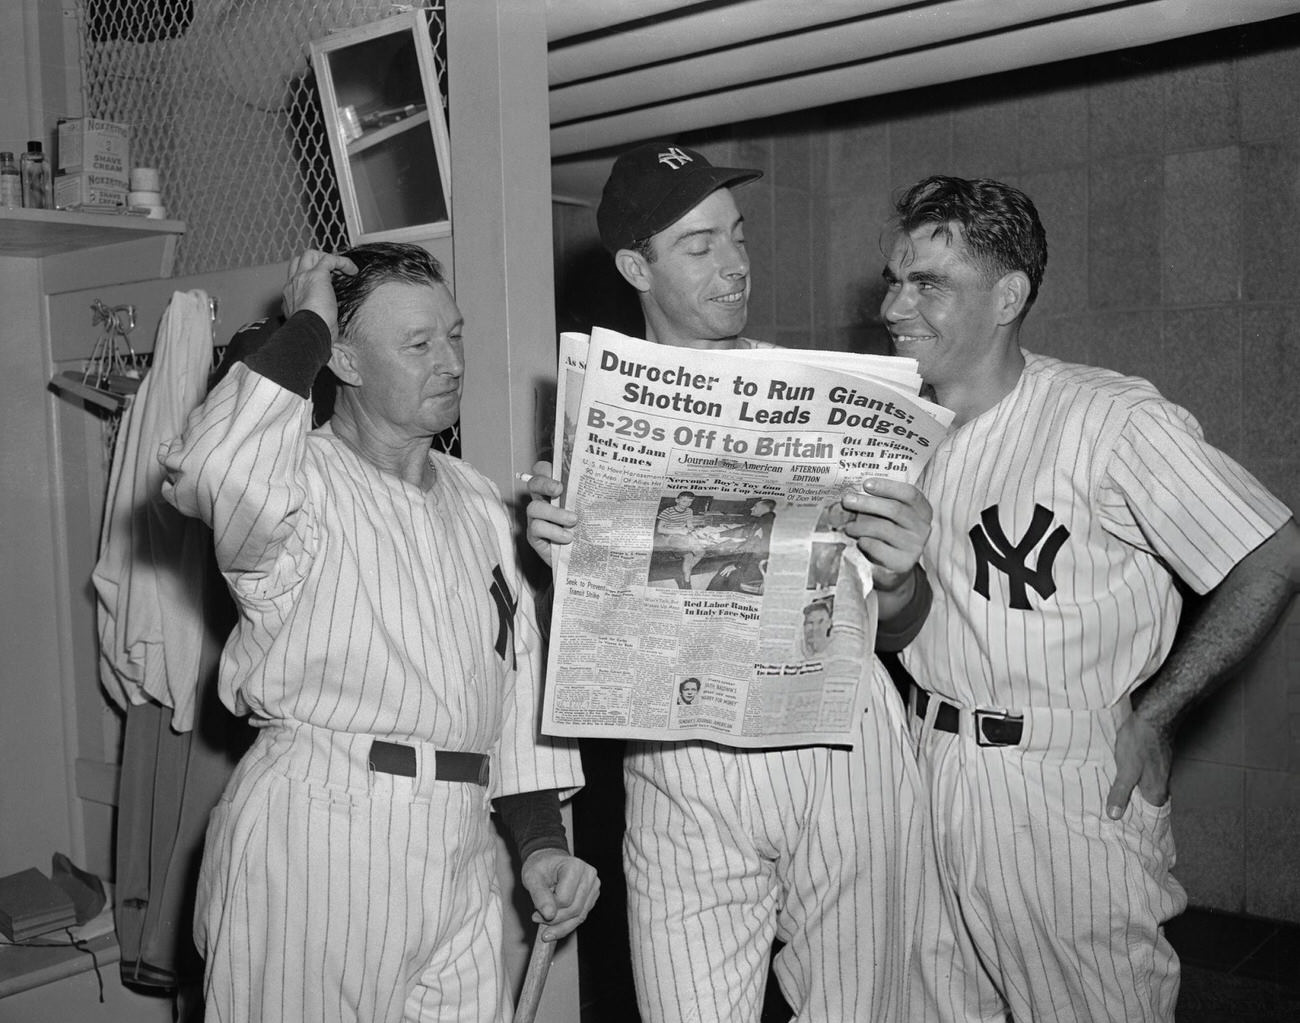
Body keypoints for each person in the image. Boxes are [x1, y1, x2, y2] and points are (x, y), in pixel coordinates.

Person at [525, 140, 935, 1023]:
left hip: (837, 743)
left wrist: (899, 576)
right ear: (637, 264)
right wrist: (555, 552)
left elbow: (900, 624)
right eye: (700, 245)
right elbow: (588, 647)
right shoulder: (595, 418)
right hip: (683, 762)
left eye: (738, 235)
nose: (736, 264)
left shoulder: (825, 399)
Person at [879, 176, 1300, 1023]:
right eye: (894, 279)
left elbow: (1273, 555)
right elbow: (908, 619)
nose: (894, 306)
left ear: (1008, 296)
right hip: (925, 760)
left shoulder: (1107, 420)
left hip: (1061, 784)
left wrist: (1159, 710)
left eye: (927, 283)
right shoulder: (895, 428)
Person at [161, 243, 600, 1023]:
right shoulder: (300, 481)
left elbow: (513, 683)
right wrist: (305, 324)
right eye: (419, 344)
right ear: (348, 362)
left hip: (458, 839)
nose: (452, 361)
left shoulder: (482, 504)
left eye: (455, 335)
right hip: (322, 824)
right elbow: (212, 470)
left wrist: (541, 844)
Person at [654, 489, 709, 587]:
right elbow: (660, 529)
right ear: (677, 500)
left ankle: (686, 570)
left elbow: (689, 525)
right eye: (684, 501)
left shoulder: (689, 511)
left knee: (701, 551)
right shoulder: (668, 511)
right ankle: (687, 580)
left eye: (690, 501)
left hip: (684, 534)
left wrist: (694, 531)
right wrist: (678, 531)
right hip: (670, 535)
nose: (687, 504)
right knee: (689, 556)